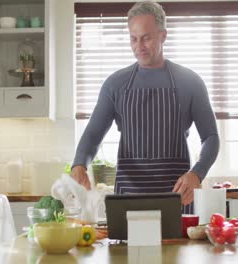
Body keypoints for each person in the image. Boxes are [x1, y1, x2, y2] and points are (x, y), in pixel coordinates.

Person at [71, 1, 219, 214]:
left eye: (146, 38)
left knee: (178, 249)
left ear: (163, 36)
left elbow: (211, 137)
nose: (139, 46)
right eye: (134, 38)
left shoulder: (190, 81)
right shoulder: (115, 84)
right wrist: (79, 165)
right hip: (128, 202)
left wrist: (197, 173)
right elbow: (94, 134)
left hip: (177, 198)